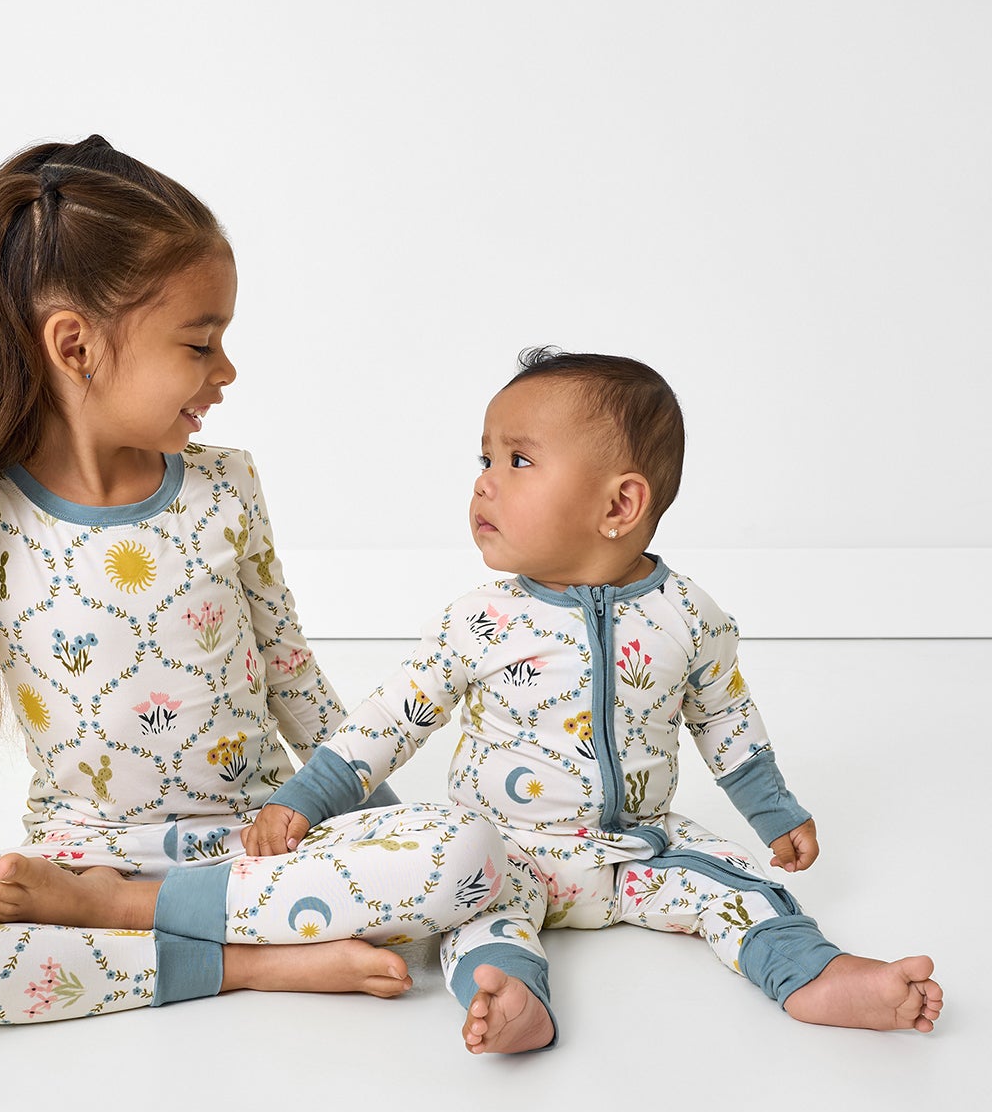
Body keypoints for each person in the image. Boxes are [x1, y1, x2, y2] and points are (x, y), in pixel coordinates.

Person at [0, 135, 505, 1023]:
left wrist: (377, 833)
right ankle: (252, 965)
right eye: (200, 343)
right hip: (78, 862)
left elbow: (295, 683)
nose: (226, 371)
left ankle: (144, 923)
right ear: (76, 346)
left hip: (257, 845)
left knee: (471, 849)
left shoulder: (226, 487)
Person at [249, 348, 944, 1054]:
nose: (484, 484)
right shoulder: (479, 620)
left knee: (740, 884)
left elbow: (727, 720)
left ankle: (813, 974)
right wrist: (305, 798)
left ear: (619, 504)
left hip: (640, 851)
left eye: (517, 461)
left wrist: (774, 814)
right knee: (474, 918)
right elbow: (390, 718)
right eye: (483, 460)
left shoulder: (687, 615)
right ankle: (514, 997)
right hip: (504, 854)